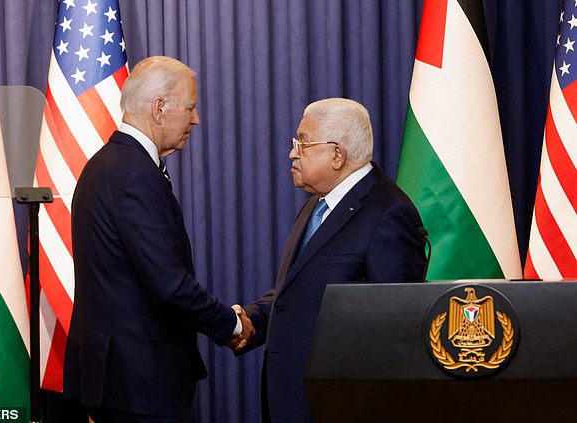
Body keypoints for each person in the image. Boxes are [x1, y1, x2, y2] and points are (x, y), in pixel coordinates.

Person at [64, 56, 254, 423]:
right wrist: (230, 324)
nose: (195, 120)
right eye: (190, 108)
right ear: (160, 108)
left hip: (117, 377)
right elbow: (168, 284)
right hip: (138, 381)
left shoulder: (104, 165)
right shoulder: (135, 175)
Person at [235, 98, 427, 422]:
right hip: (292, 401)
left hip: (339, 407)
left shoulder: (389, 213)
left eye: (303, 142)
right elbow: (297, 292)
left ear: (337, 154)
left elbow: (396, 330)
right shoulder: (317, 204)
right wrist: (250, 320)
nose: (292, 153)